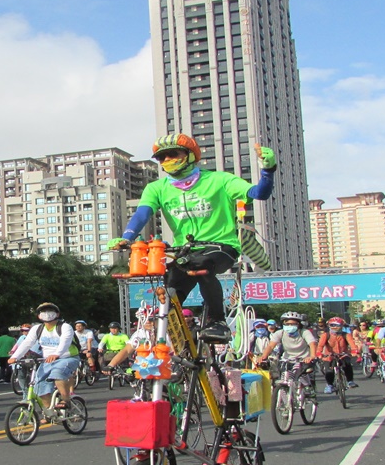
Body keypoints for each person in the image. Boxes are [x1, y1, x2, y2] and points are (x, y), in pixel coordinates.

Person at [108, 133, 277, 342]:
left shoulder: (220, 180)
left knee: (202, 264)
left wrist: (267, 170)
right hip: (185, 250)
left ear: (190, 155)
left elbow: (259, 193)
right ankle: (174, 339)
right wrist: (127, 237)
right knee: (169, 286)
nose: (167, 161)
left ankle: (217, 321)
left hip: (221, 246)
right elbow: (143, 213)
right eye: (162, 158)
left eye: (173, 154)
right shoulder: (157, 188)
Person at [8, 302, 80, 407]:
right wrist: (15, 356)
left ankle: (66, 400)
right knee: (40, 385)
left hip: (67, 358)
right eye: (43, 311)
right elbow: (27, 343)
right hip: (47, 360)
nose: (47, 313)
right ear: (39, 316)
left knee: (58, 372)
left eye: (50, 311)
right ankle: (48, 413)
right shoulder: (37, 329)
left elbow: (66, 341)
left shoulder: (65, 327)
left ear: (57, 314)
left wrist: (57, 354)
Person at [257, 311, 318, 396]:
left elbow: (312, 344)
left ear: (298, 324)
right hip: (287, 358)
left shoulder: (304, 332)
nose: (290, 326)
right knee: (284, 376)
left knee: (300, 373)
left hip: (303, 358)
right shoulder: (280, 333)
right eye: (287, 324)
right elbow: (271, 346)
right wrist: (263, 356)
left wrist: (312, 356)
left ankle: (308, 387)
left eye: (293, 324)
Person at [316, 316, 358, 393]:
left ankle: (350, 381)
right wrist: (319, 353)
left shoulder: (346, 335)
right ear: (329, 326)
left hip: (343, 354)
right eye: (332, 325)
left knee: (347, 365)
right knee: (329, 370)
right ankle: (329, 385)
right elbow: (320, 346)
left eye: (337, 325)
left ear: (342, 326)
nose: (335, 327)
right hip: (329, 356)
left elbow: (352, 344)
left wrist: (354, 351)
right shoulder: (325, 335)